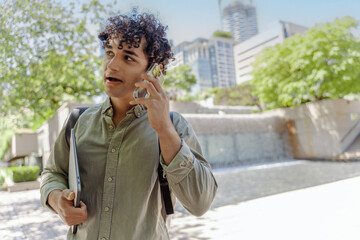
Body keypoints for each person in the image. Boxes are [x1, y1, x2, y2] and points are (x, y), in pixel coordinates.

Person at [40, 11, 218, 240]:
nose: (111, 65)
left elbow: (200, 203)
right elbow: (52, 173)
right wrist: (56, 199)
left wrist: (164, 129)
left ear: (154, 71)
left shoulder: (175, 126)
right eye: (109, 53)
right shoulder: (78, 121)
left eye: (128, 57)